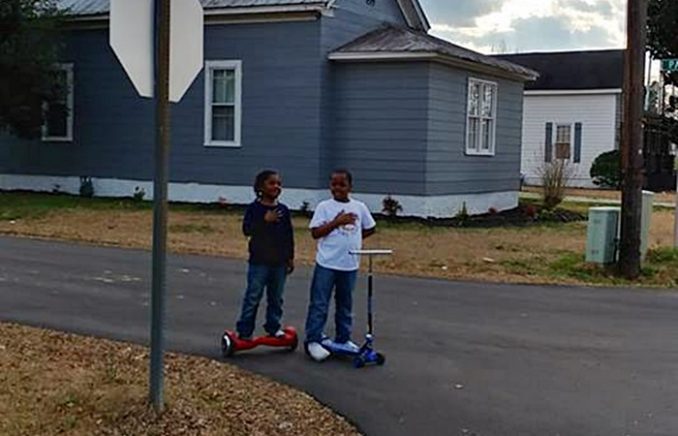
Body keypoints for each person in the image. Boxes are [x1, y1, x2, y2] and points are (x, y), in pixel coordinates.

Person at [304, 169, 376, 361]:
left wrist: (355, 239)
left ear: (350, 187)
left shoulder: (359, 207)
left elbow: (370, 228)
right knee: (319, 303)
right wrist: (337, 222)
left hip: (350, 264)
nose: (337, 188)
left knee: (345, 304)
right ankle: (314, 339)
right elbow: (316, 232)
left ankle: (343, 338)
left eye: (342, 184)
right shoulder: (324, 207)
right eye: (334, 184)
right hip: (327, 263)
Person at [235, 170, 294, 340]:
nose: (276, 186)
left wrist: (290, 257)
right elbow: (247, 230)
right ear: (261, 187)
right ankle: (245, 331)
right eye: (272, 183)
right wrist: (264, 221)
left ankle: (273, 327)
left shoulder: (283, 210)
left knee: (276, 298)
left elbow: (288, 235)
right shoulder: (254, 208)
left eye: (279, 183)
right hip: (259, 261)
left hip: (279, 262)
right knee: (253, 296)